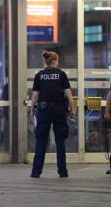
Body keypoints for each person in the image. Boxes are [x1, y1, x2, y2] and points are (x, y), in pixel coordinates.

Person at [30, 50, 75, 178]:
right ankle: (62, 171)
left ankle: (36, 172)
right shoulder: (61, 74)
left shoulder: (39, 75)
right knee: (60, 141)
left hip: (43, 111)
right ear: (54, 61)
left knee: (41, 141)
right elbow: (69, 94)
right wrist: (72, 109)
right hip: (59, 110)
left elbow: (35, 95)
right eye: (57, 61)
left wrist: (32, 109)